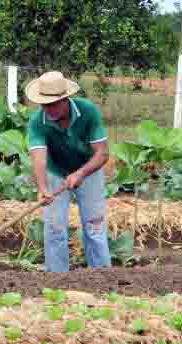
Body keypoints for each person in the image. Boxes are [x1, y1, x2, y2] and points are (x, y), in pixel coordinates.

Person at [26, 71, 111, 273]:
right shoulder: (37, 122)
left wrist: (80, 174)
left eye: (53, 104)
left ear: (66, 99)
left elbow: (103, 154)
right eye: (44, 105)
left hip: (89, 169)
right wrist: (43, 188)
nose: (48, 109)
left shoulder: (88, 111)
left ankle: (102, 276)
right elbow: (39, 157)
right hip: (56, 172)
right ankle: (57, 279)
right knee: (54, 228)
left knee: (94, 226)